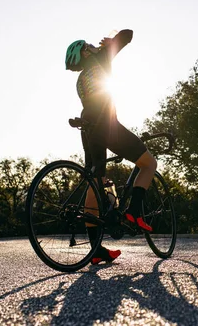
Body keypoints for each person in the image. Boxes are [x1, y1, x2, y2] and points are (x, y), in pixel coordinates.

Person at [65, 29, 157, 265]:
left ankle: (96, 249)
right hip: (107, 126)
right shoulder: (100, 59)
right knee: (148, 163)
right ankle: (134, 212)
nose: (90, 46)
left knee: (95, 183)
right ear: (85, 52)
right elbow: (129, 34)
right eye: (87, 45)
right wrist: (111, 42)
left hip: (87, 128)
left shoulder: (80, 81)